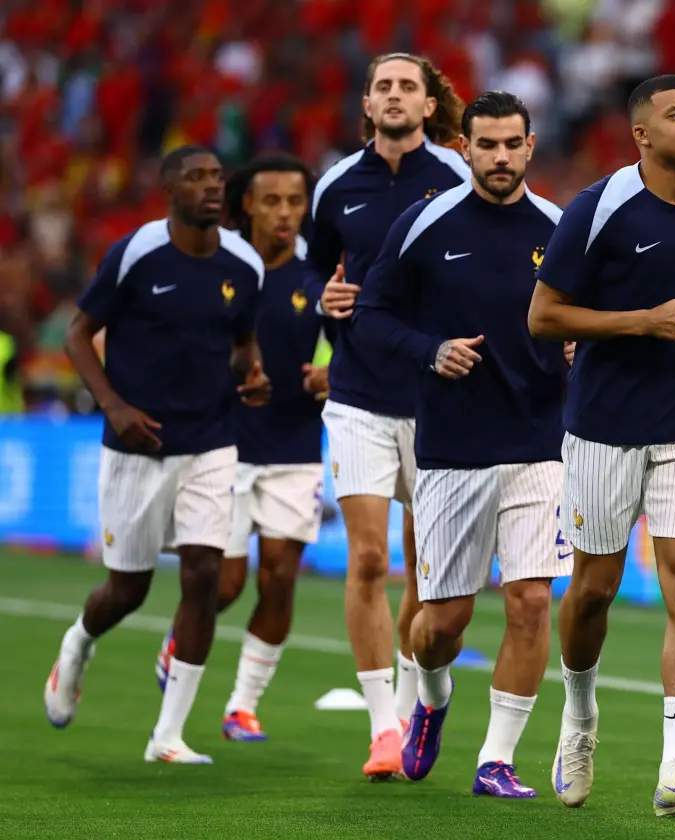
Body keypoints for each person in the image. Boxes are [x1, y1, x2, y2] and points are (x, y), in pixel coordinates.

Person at [528, 74, 675, 817]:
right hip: (603, 427)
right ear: (641, 134)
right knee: (594, 589)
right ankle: (580, 714)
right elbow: (544, 316)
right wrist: (640, 322)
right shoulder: (598, 210)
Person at [353, 90, 572, 797]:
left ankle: (496, 760)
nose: (501, 157)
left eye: (514, 144)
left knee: (532, 601)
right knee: (437, 625)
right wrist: (431, 349)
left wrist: (578, 346)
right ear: (466, 149)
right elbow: (373, 314)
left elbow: (585, 316)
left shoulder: (561, 228)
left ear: (531, 147)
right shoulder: (426, 222)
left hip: (541, 442)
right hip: (451, 449)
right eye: (488, 145)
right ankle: (432, 698)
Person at [44, 146, 271, 764]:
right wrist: (113, 406)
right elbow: (76, 334)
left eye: (217, 178)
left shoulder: (243, 262)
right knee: (128, 591)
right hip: (136, 445)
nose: (211, 187)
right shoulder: (136, 253)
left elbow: (242, 343)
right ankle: (78, 644)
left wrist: (252, 375)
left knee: (204, 577)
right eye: (196, 178)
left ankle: (167, 735)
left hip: (212, 440)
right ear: (168, 191)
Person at [310, 52, 470, 779]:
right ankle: (381, 728)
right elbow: (313, 267)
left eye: (409, 86)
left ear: (428, 104)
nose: (396, 96)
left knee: (427, 572)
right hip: (358, 396)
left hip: (436, 399)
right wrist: (323, 297)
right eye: (383, 87)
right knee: (369, 557)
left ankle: (411, 709)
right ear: (368, 105)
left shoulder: (460, 179)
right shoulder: (337, 185)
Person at [154, 153, 331, 742]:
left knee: (279, 577)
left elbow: (350, 341)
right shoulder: (217, 262)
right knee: (222, 584)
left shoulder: (321, 272)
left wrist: (331, 373)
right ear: (246, 204)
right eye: (272, 200)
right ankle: (179, 643)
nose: (285, 213)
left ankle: (242, 705)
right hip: (223, 444)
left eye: (295, 202)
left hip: (296, 443)